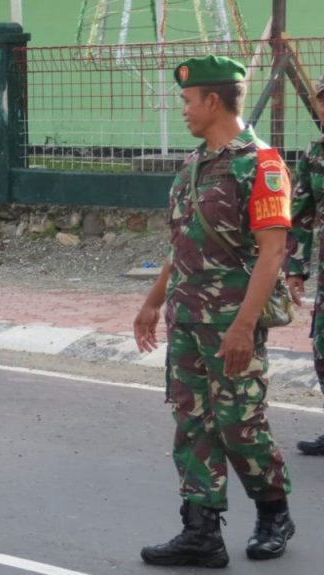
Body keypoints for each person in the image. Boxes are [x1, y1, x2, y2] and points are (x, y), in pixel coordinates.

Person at [133, 56, 295, 567]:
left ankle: (274, 512)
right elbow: (182, 242)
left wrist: (245, 325)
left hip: (232, 323)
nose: (182, 110)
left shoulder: (262, 164)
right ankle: (201, 532)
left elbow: (273, 252)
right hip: (186, 321)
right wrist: (153, 301)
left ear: (212, 100)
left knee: (239, 423)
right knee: (193, 423)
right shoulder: (193, 165)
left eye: (187, 101)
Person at [285, 74, 324, 456]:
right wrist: (295, 269)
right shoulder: (315, 155)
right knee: (323, 350)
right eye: (323, 100)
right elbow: (300, 216)